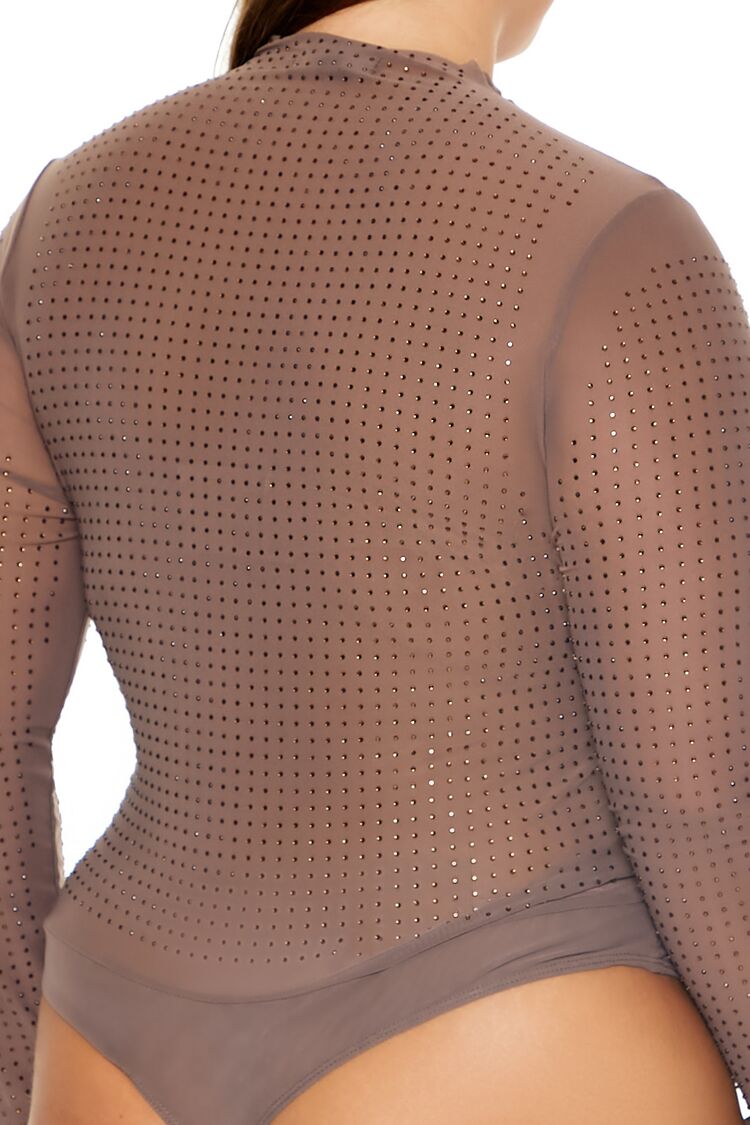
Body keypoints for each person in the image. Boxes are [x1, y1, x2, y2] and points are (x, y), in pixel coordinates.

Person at [0, 0, 746, 1122]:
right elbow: (708, 800)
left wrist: (21, 1078)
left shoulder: (62, 216)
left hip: (111, 1036)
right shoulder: (613, 240)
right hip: (500, 1026)